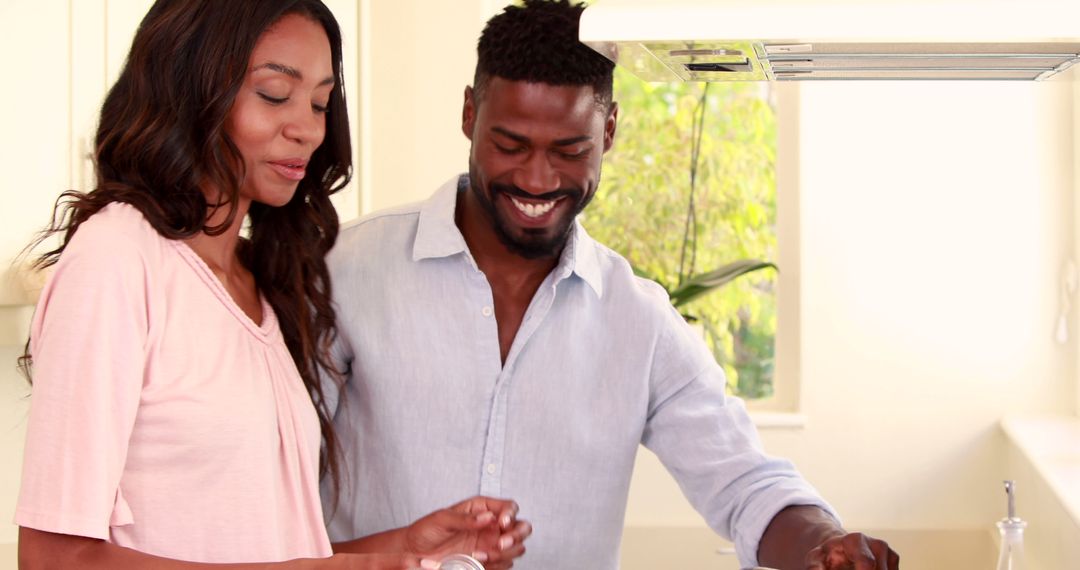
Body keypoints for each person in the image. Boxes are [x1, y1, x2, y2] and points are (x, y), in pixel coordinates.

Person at [321, 1, 899, 569]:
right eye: (510, 145)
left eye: (569, 150)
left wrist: (824, 547)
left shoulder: (638, 319)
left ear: (611, 130)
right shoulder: (345, 271)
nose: (537, 179)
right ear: (470, 114)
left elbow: (746, 482)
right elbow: (270, 483)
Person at [14, 1, 529, 568]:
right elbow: (53, 557)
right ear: (190, 89)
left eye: (319, 102)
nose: (307, 129)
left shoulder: (256, 281)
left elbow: (265, 552)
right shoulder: (117, 258)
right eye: (274, 95)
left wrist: (402, 547)